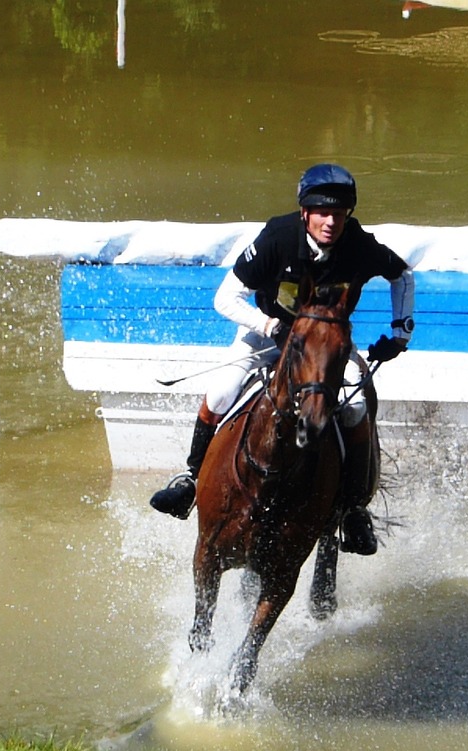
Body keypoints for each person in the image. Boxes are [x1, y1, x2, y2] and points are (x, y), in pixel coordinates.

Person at [149, 163, 415, 555]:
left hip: (324, 346)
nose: (330, 223)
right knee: (222, 392)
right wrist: (268, 324)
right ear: (305, 213)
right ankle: (190, 481)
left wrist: (400, 332)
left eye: (339, 215)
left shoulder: (358, 244)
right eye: (322, 213)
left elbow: (402, 276)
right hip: (266, 336)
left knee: (357, 406)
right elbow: (225, 298)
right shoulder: (277, 237)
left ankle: (353, 510)